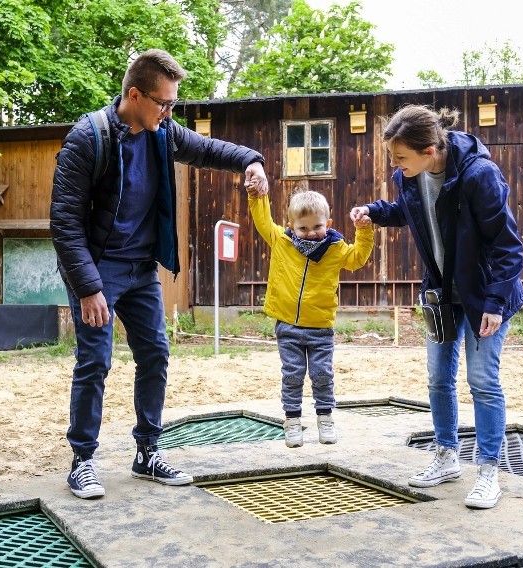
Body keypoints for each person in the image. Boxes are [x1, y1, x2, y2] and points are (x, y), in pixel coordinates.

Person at [51, 49, 269, 499]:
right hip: (98, 268)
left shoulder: (163, 131)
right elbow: (65, 223)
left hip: (141, 269)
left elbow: (209, 149)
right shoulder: (88, 138)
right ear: (135, 94)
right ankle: (83, 461)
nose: (170, 112)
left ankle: (147, 452)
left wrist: (252, 160)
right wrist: (89, 288)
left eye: (173, 105)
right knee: (95, 360)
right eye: (164, 103)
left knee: (155, 354)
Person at [350, 104, 523, 509]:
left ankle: (487, 471)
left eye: (400, 157)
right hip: (441, 295)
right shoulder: (408, 176)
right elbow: (412, 213)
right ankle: (446, 456)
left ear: (430, 150)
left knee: (481, 381)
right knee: (437, 378)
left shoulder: (479, 176)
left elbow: (508, 246)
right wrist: (374, 212)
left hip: (485, 297)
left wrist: (496, 303)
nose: (395, 164)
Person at [247, 185, 373, 448]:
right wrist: (257, 196)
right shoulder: (282, 241)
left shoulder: (336, 248)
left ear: (327, 223)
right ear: (291, 226)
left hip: (320, 327)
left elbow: (358, 258)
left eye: (317, 226)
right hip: (288, 325)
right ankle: (292, 421)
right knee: (292, 375)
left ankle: (325, 418)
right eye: (303, 228)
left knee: (322, 375)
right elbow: (262, 221)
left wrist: (363, 230)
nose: (311, 233)